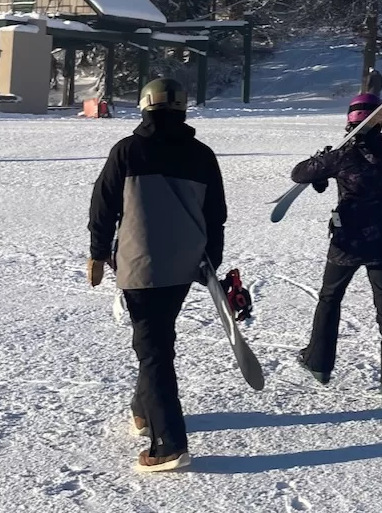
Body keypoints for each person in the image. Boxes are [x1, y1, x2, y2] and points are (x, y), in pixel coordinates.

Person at [87, 77, 227, 473]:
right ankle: (144, 410)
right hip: (183, 265)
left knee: (154, 351)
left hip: (139, 265)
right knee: (156, 339)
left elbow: (104, 205)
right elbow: (215, 215)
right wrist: (210, 261)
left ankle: (168, 443)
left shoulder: (128, 150)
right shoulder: (202, 154)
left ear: (145, 105)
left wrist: (98, 253)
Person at [291, 92, 382, 407]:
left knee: (330, 298)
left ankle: (318, 363)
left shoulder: (343, 156)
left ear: (349, 122)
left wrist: (324, 163)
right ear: (380, 121)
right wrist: (325, 175)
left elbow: (299, 172)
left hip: (349, 242)